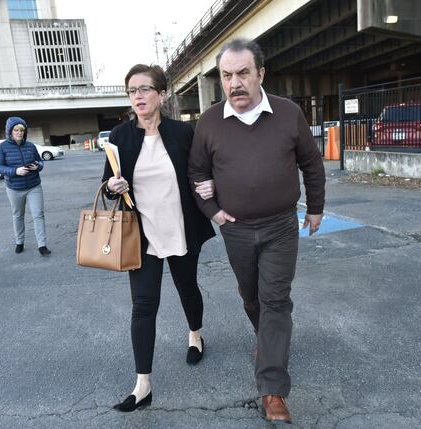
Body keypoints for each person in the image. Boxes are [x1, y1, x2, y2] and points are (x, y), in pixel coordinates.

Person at [188, 38, 326, 423]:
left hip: (281, 225)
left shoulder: (287, 113)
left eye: (243, 73)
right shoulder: (209, 122)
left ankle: (272, 390)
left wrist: (315, 207)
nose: (235, 83)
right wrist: (213, 212)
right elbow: (197, 172)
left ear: (260, 74)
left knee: (276, 301)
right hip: (236, 230)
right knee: (252, 297)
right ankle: (268, 343)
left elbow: (311, 163)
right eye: (227, 75)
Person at [102, 64, 215, 412]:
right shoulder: (120, 136)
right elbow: (107, 183)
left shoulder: (183, 132)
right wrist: (111, 186)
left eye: (145, 88)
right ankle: (143, 384)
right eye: (132, 90)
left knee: (187, 289)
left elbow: (202, 170)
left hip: (181, 228)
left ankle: (195, 334)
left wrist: (213, 187)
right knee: (143, 305)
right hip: (143, 234)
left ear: (162, 94)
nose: (138, 95)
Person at [0, 117, 51, 256]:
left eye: (22, 130)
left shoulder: (30, 146)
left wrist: (37, 166)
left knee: (38, 215)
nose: (19, 133)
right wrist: (15, 171)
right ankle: (19, 242)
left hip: (33, 186)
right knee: (18, 215)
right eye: (16, 130)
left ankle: (42, 245)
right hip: (14, 188)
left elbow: (40, 161)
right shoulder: (2, 147)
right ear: (10, 131)